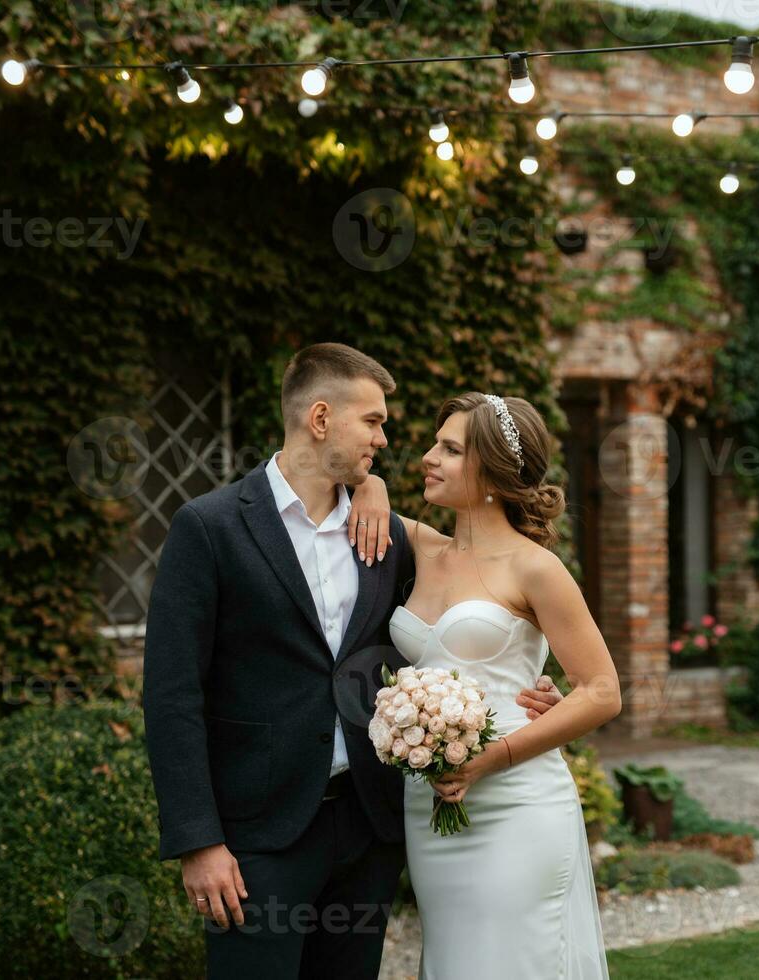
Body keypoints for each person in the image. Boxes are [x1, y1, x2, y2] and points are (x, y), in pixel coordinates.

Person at [142, 343, 564, 978]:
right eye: (373, 422)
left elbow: (452, 629)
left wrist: (528, 692)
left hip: (368, 829)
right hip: (257, 837)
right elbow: (172, 695)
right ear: (320, 419)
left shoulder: (389, 536)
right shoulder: (210, 527)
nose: (386, 440)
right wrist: (198, 841)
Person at [387, 391, 618, 978]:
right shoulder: (422, 548)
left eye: (450, 449)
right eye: (434, 443)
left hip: (516, 801)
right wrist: (367, 489)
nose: (427, 458)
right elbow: (360, 495)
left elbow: (601, 691)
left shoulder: (534, 568)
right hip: (429, 799)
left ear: (491, 471)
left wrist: (492, 758)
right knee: (454, 959)